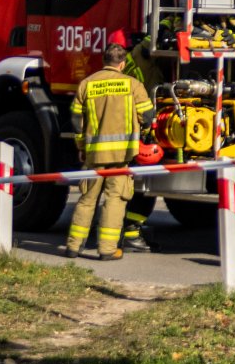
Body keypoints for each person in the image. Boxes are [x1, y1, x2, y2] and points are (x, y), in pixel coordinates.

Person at [66, 40, 152, 260]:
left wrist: (80, 145)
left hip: (94, 155)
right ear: (122, 64)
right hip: (121, 156)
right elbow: (148, 115)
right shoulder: (132, 85)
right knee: (114, 200)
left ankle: (74, 246)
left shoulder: (87, 84)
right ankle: (107, 250)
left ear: (103, 61)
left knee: (87, 199)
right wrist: (144, 129)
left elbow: (76, 120)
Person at [116, 32, 163, 252]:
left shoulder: (94, 82)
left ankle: (121, 233)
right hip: (134, 137)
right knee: (139, 189)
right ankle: (131, 233)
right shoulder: (138, 66)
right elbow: (146, 112)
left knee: (115, 191)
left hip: (111, 143)